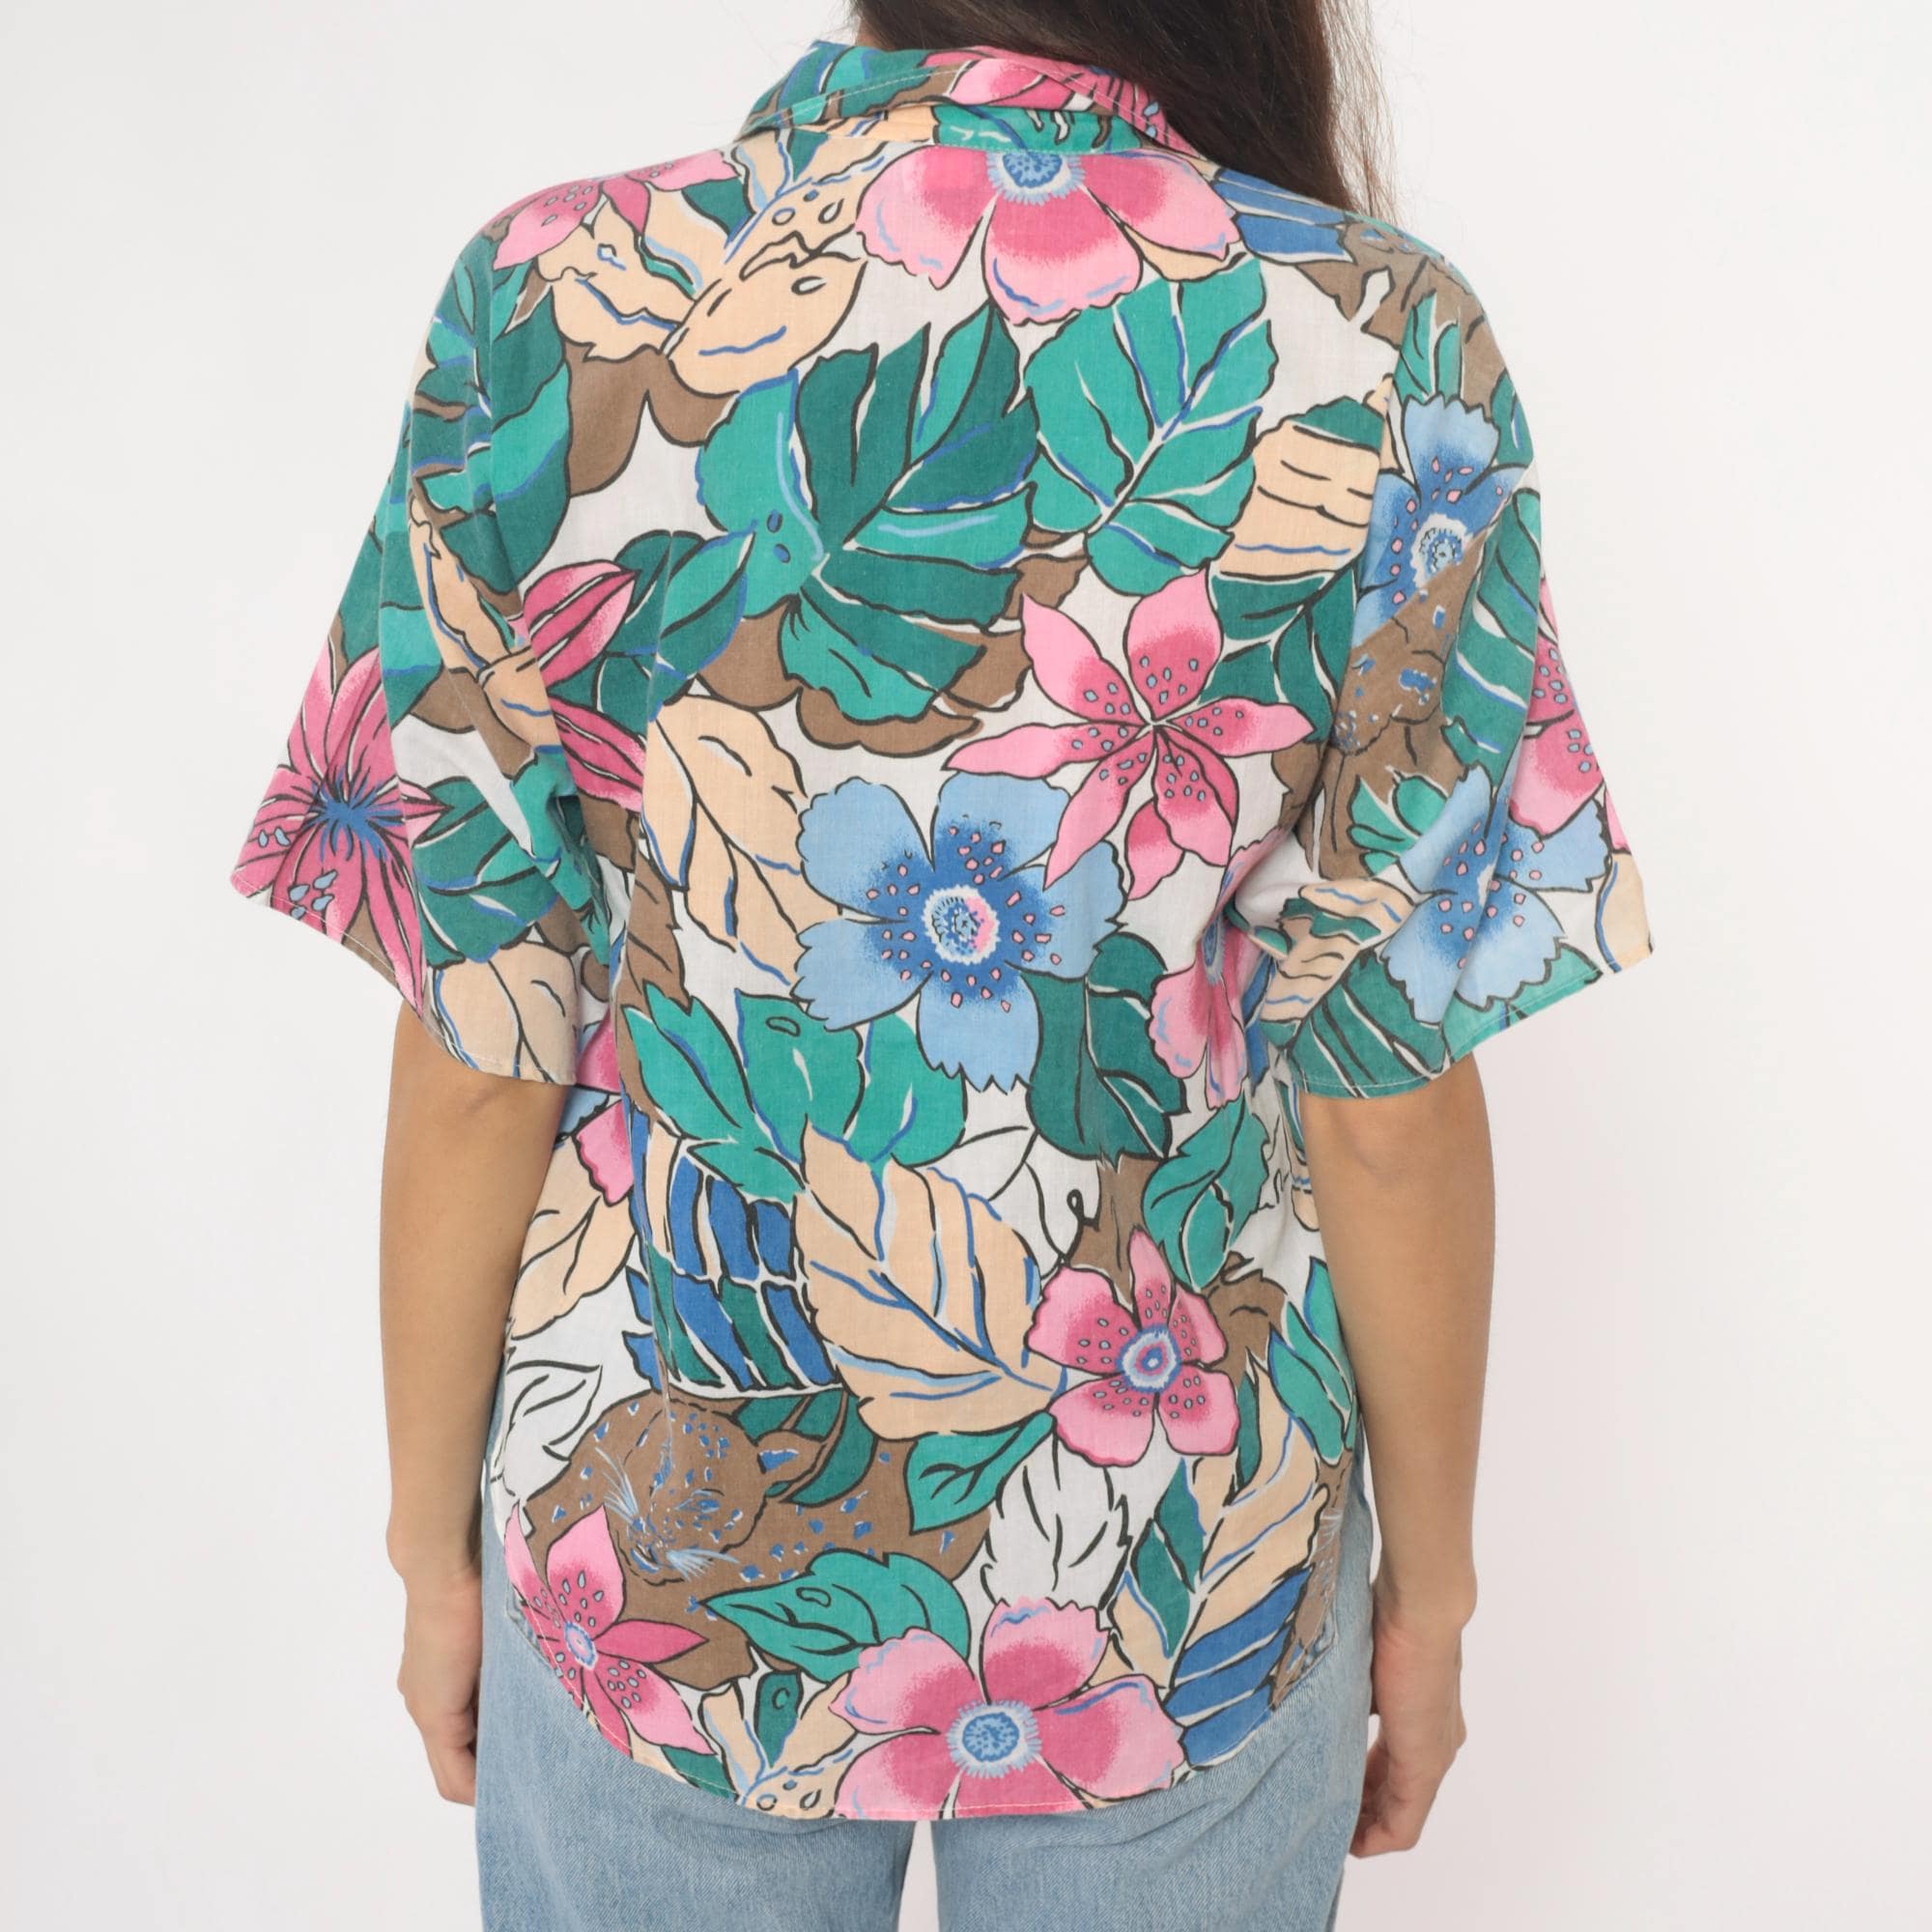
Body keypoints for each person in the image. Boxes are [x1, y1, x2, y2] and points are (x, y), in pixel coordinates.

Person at [228, 3, 1654, 1924]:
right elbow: (1386, 1092)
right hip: (1177, 1562)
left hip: (658, 1552)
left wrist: (429, 1549)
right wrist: (1435, 1594)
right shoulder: (1380, 339)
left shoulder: (554, 298)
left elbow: (484, 1030)